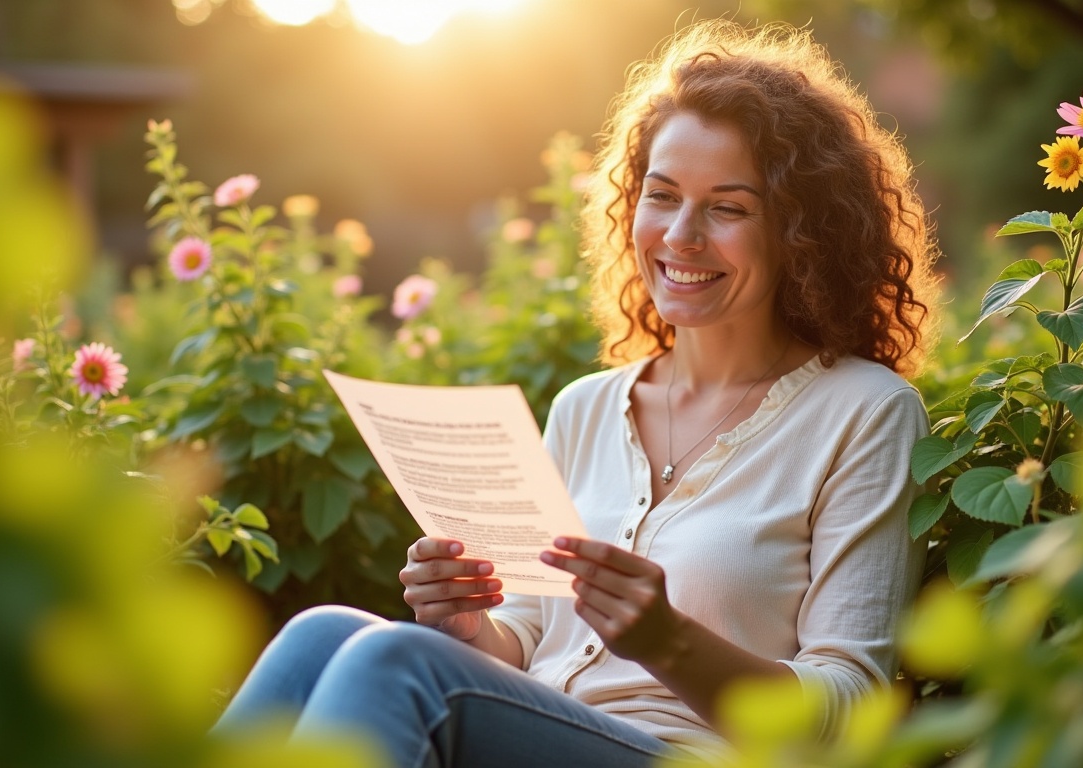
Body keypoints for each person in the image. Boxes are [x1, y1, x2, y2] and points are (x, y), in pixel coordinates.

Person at [211, 19, 938, 767]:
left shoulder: (866, 412)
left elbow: (852, 706)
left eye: (728, 207)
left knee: (391, 664)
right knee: (322, 634)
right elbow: (524, 641)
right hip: (551, 736)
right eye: (662, 197)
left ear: (799, 233)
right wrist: (468, 629)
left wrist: (670, 643)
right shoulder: (585, 408)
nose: (681, 235)